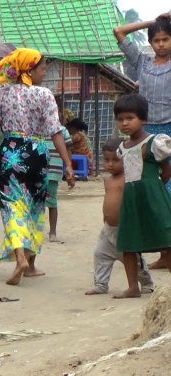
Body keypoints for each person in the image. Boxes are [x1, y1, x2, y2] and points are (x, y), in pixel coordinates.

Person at [0, 48, 75, 286]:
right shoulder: (44, 95)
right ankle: (30, 266)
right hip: (38, 153)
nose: (44, 73)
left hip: (11, 153)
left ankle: (21, 259)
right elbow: (55, 132)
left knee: (13, 207)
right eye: (42, 69)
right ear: (30, 69)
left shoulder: (1, 95)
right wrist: (67, 164)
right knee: (34, 206)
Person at [114, 11, 171, 270]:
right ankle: (165, 254)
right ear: (150, 42)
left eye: (166, 38)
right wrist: (154, 23)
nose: (161, 44)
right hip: (143, 134)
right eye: (156, 40)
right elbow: (119, 32)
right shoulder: (142, 62)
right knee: (149, 190)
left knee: (166, 190)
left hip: (168, 131)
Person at [113, 94, 171, 299]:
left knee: (166, 239)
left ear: (143, 119)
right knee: (128, 243)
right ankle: (132, 287)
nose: (125, 123)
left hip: (154, 197)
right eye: (120, 119)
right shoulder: (121, 148)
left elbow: (166, 171)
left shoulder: (155, 142)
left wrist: (153, 188)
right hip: (131, 200)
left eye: (130, 118)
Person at [85, 138, 155, 296]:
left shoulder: (130, 179)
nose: (110, 164)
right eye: (106, 160)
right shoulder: (108, 180)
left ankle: (147, 283)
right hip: (108, 230)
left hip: (126, 229)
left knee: (135, 261)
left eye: (115, 160)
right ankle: (101, 284)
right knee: (100, 255)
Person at [45, 126, 73, 242]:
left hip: (53, 170)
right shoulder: (35, 126)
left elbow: (68, 149)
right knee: (34, 201)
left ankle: (52, 232)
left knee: (52, 201)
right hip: (36, 170)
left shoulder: (62, 130)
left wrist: (69, 166)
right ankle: (34, 230)